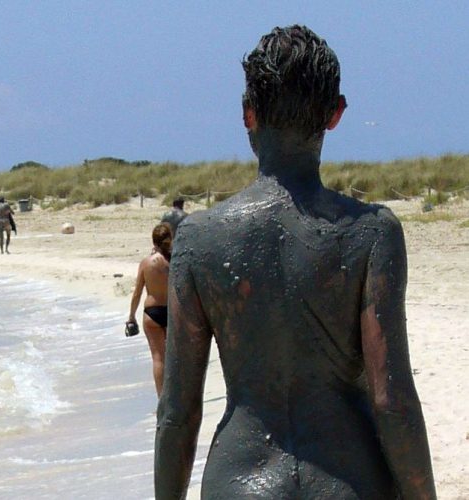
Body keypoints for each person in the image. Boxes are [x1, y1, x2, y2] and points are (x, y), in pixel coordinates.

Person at [155, 25, 436, 499]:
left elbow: (178, 412)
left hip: (238, 481)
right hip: (350, 483)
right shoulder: (372, 232)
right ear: (335, 114)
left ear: (248, 113)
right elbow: (392, 402)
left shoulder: (198, 239)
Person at [127, 223, 174, 397]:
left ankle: (162, 400)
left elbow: (137, 293)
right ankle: (175, 397)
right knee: (173, 357)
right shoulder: (174, 261)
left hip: (152, 313)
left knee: (158, 358)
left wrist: (131, 316)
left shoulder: (146, 263)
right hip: (172, 312)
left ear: (154, 242)